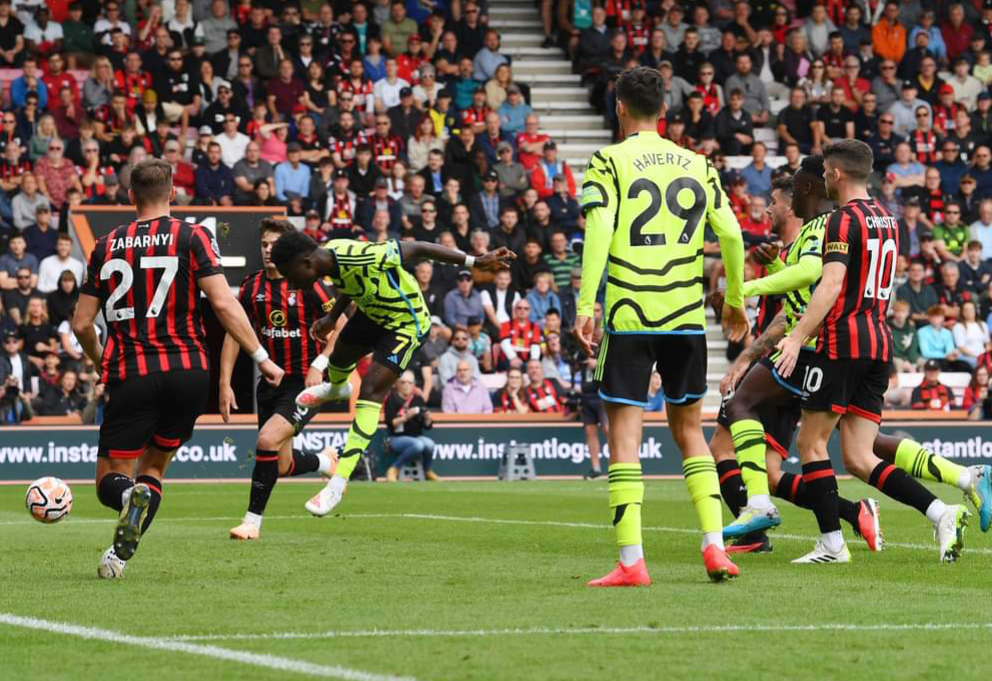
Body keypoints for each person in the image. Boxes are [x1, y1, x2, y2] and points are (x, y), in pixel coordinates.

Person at [70, 158, 285, 579]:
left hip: (132, 371)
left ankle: (127, 502)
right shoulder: (193, 236)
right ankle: (117, 557)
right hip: (189, 372)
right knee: (154, 468)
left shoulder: (104, 244)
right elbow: (224, 304)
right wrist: (261, 357)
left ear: (130, 197)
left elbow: (81, 324)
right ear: (172, 194)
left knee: (109, 482)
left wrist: (102, 362)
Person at [574, 67, 748, 586]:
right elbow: (733, 236)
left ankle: (632, 562)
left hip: (631, 314)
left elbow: (599, 227)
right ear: (665, 111)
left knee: (624, 437)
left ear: (620, 107)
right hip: (686, 317)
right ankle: (716, 547)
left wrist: (588, 303)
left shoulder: (607, 160)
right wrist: (734, 301)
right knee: (690, 432)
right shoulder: (698, 163)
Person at [776, 140, 973, 564]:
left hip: (841, 342)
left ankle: (832, 544)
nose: (824, 177)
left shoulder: (840, 222)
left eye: (826, 170)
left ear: (838, 173)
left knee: (811, 444)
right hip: (878, 343)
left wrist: (794, 338)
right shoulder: (889, 218)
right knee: (860, 457)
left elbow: (830, 286)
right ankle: (942, 513)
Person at [269, 232, 514, 517]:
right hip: (373, 314)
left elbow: (419, 246)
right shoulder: (329, 259)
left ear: (306, 262)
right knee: (338, 360)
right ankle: (337, 388)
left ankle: (337, 482)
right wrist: (333, 318)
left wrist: (476, 261)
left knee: (370, 392)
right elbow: (352, 282)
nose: (290, 283)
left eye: (289, 274)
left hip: (405, 324)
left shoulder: (362, 254)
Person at [222, 219, 340, 541]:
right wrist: (224, 381)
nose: (268, 250)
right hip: (271, 383)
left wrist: (320, 363)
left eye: (274, 244)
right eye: (263, 244)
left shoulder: (308, 282)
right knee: (281, 463)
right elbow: (236, 332)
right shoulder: (251, 285)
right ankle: (325, 461)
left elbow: (340, 325)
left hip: (304, 383)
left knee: (265, 440)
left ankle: (251, 522)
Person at [384, 370, 439, 481]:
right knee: (418, 445)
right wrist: (405, 417)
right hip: (396, 437)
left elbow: (426, 426)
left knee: (430, 444)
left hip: (415, 435)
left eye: (410, 383)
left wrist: (428, 418)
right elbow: (390, 423)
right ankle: (394, 468)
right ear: (397, 384)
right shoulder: (392, 399)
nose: (406, 385)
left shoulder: (418, 399)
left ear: (414, 385)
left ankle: (427, 470)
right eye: (403, 382)